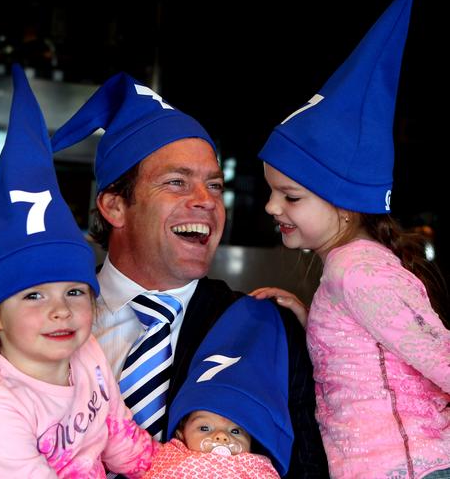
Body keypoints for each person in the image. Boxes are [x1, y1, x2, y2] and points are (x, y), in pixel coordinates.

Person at [51, 73, 329, 477]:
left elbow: (311, 469)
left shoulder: (267, 328)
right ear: (114, 206)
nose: (205, 202)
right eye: (177, 182)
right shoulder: (40, 316)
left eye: (214, 186)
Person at [254, 0, 450, 477]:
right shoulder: (346, 272)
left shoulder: (359, 274)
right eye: (271, 192)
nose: (271, 207)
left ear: (342, 202)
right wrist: (310, 319)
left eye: (290, 196)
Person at [0, 64, 158, 479]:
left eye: (74, 292)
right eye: (34, 295)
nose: (61, 311)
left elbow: (124, 442)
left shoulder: (86, 352)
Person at [143, 298, 292, 479]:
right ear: (181, 435)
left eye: (236, 431)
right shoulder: (170, 460)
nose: (221, 436)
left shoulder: (258, 469)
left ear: (251, 442)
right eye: (204, 428)